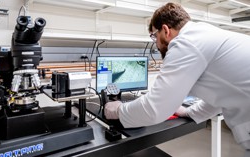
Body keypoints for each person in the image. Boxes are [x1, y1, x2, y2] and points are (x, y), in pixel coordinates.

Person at [104, 2, 250, 156]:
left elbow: (155, 109)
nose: (157, 45)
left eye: (155, 36)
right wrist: (189, 112)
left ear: (165, 30)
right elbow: (220, 96)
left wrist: (118, 110)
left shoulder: (186, 42)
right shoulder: (204, 34)